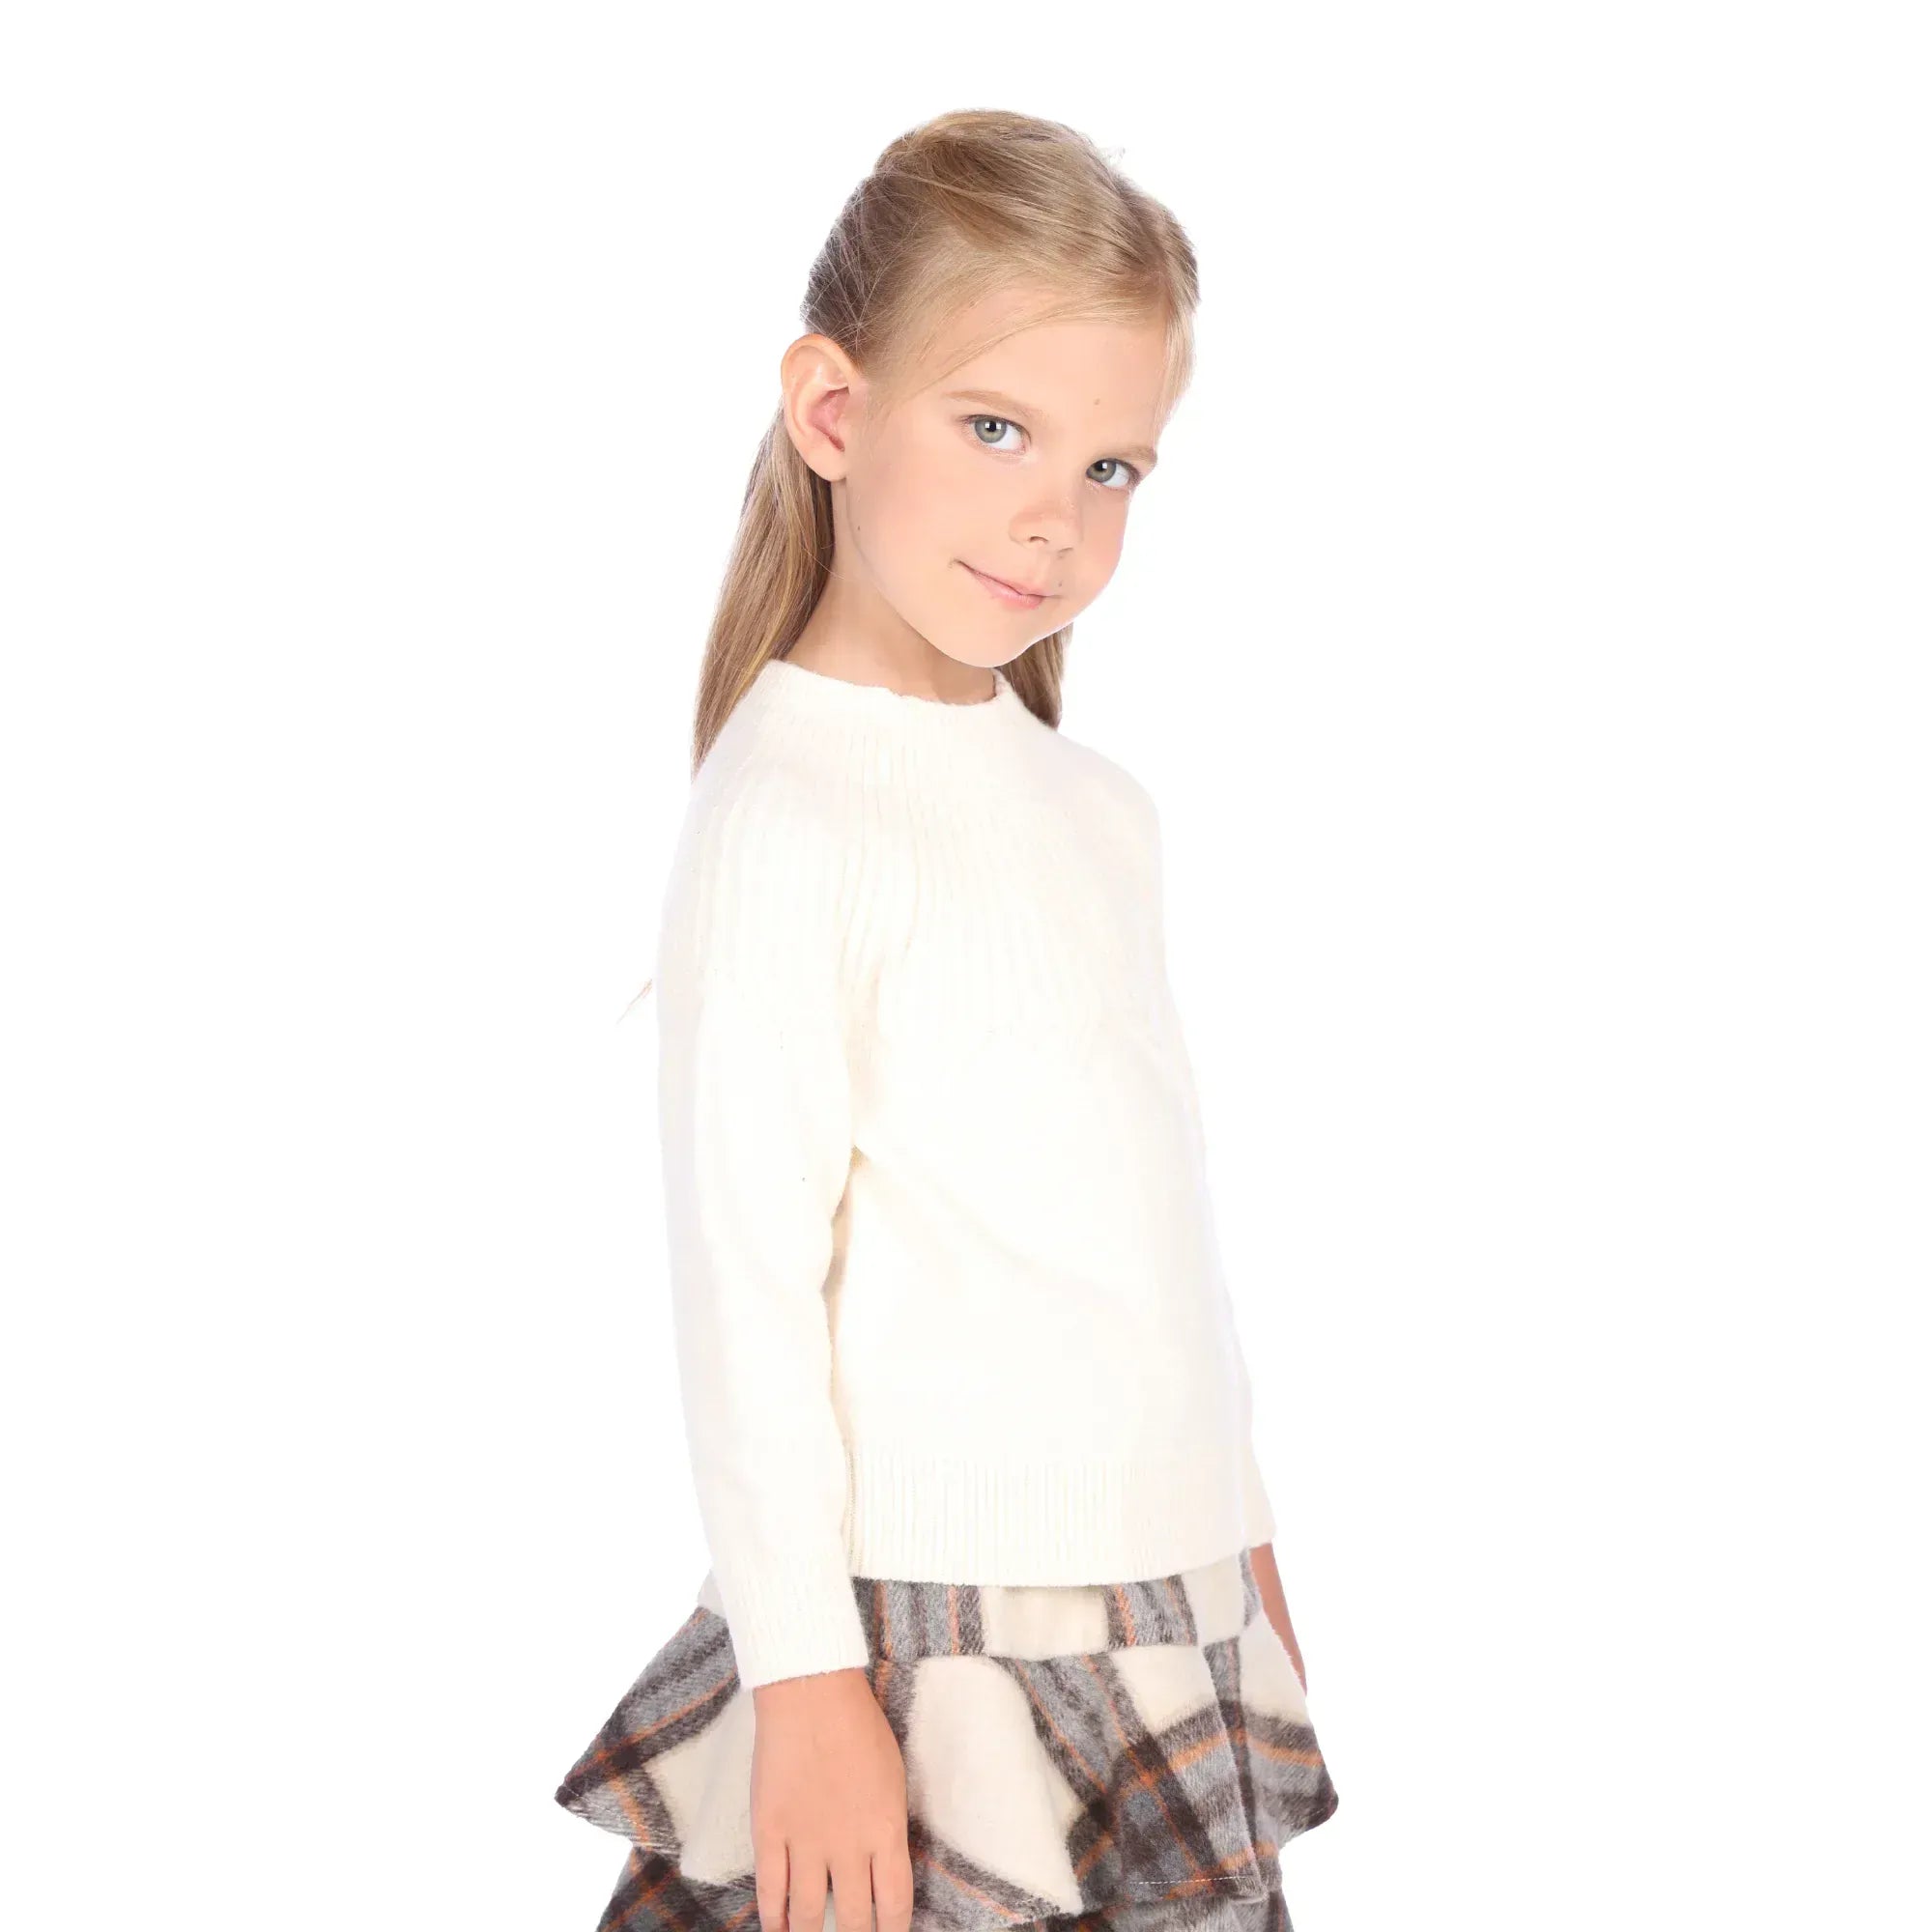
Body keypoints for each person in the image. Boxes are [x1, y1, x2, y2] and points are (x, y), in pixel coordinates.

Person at [556, 107, 1340, 1932]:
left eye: (1113, 466)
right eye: (996, 430)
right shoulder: (789, 808)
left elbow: (1158, 1239)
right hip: (920, 1645)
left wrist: (1244, 1550)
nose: (1055, 518)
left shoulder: (1099, 810)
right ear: (832, 412)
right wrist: (804, 1682)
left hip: (1170, 1616)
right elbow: (744, 1292)